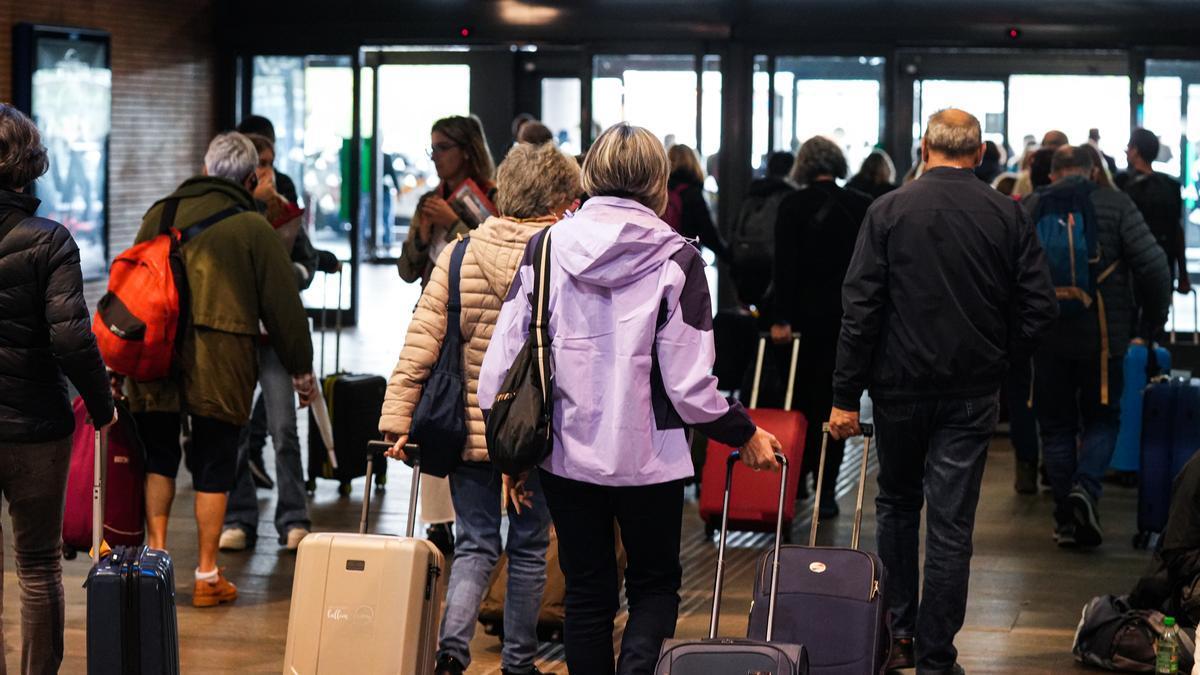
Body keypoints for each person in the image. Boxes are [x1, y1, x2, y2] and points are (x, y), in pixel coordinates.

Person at [478, 123, 782, 675]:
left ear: (591, 175)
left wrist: (512, 456)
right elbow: (690, 387)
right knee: (654, 585)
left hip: (565, 454)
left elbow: (500, 364)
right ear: (659, 183)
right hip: (652, 459)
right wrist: (744, 431)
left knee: (588, 591)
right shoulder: (679, 260)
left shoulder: (544, 249)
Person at [828, 109, 1057, 673]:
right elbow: (1040, 308)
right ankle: (936, 655)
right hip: (972, 391)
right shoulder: (1007, 214)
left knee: (898, 505)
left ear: (924, 147)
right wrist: (1002, 360)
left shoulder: (886, 211)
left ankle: (899, 633)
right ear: (979, 155)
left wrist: (843, 394)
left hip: (898, 388)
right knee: (952, 525)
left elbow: (860, 311)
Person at [381, 142, 580, 675]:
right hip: (534, 433)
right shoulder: (565, 256)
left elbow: (421, 339)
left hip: (468, 431)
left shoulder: (460, 252)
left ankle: (451, 655)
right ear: (560, 200)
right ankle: (518, 663)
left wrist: (397, 419)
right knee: (531, 548)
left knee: (474, 546)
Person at [122, 132, 316, 608]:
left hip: (155, 353)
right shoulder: (252, 227)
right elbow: (283, 306)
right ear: (252, 177)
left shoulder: (159, 212)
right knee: (213, 460)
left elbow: (132, 282)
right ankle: (207, 574)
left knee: (159, 456)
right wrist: (301, 369)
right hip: (219, 358)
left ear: (206, 169)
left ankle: (157, 563)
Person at [0, 103, 115, 674]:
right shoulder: (49, 241)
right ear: (28, 164)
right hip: (36, 425)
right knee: (39, 565)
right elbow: (72, 340)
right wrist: (102, 405)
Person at [1022, 145, 1170, 547]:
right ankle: (1085, 488)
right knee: (1103, 417)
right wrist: (1153, 320)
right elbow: (1154, 265)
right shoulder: (1115, 203)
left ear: (1052, 174)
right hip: (1104, 333)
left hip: (1046, 333)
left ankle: (1065, 520)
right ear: (1091, 172)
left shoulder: (1033, 204)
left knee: (1055, 427)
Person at [219, 133, 338, 553]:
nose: (266, 169)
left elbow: (305, 257)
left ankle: (293, 515)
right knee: (232, 429)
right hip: (234, 332)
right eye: (260, 162)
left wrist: (290, 278)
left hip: (274, 335)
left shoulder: (281, 198)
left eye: (270, 160)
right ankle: (238, 517)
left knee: (284, 426)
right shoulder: (224, 203)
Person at [397, 115, 497, 556]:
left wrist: (455, 221)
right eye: (431, 148)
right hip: (433, 319)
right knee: (431, 416)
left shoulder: (491, 198)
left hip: (480, 325)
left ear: (466, 149)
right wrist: (422, 232)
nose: (435, 157)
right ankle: (438, 520)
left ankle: (483, 508)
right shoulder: (427, 200)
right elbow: (405, 269)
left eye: (442, 148)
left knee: (472, 418)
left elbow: (494, 252)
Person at [770, 135, 872, 518]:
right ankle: (827, 492)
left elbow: (784, 267)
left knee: (800, 406)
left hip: (801, 324)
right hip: (847, 322)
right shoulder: (861, 205)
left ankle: (795, 484)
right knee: (838, 406)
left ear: (805, 166)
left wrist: (781, 317)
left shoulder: (792, 205)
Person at [1122, 128, 1191, 294]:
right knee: (1158, 316)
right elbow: (1176, 231)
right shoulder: (1171, 186)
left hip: (1129, 267)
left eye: (1129, 146)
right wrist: (1183, 273)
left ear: (1135, 150)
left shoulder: (1122, 184)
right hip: (1163, 263)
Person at [727, 151, 795, 306]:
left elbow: (735, 228)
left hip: (747, 264)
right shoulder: (790, 196)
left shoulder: (753, 191)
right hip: (774, 269)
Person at [665, 143, 731, 263]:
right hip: (685, 260)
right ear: (693, 162)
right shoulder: (692, 193)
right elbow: (707, 233)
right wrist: (729, 256)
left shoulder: (660, 191)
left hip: (662, 257)